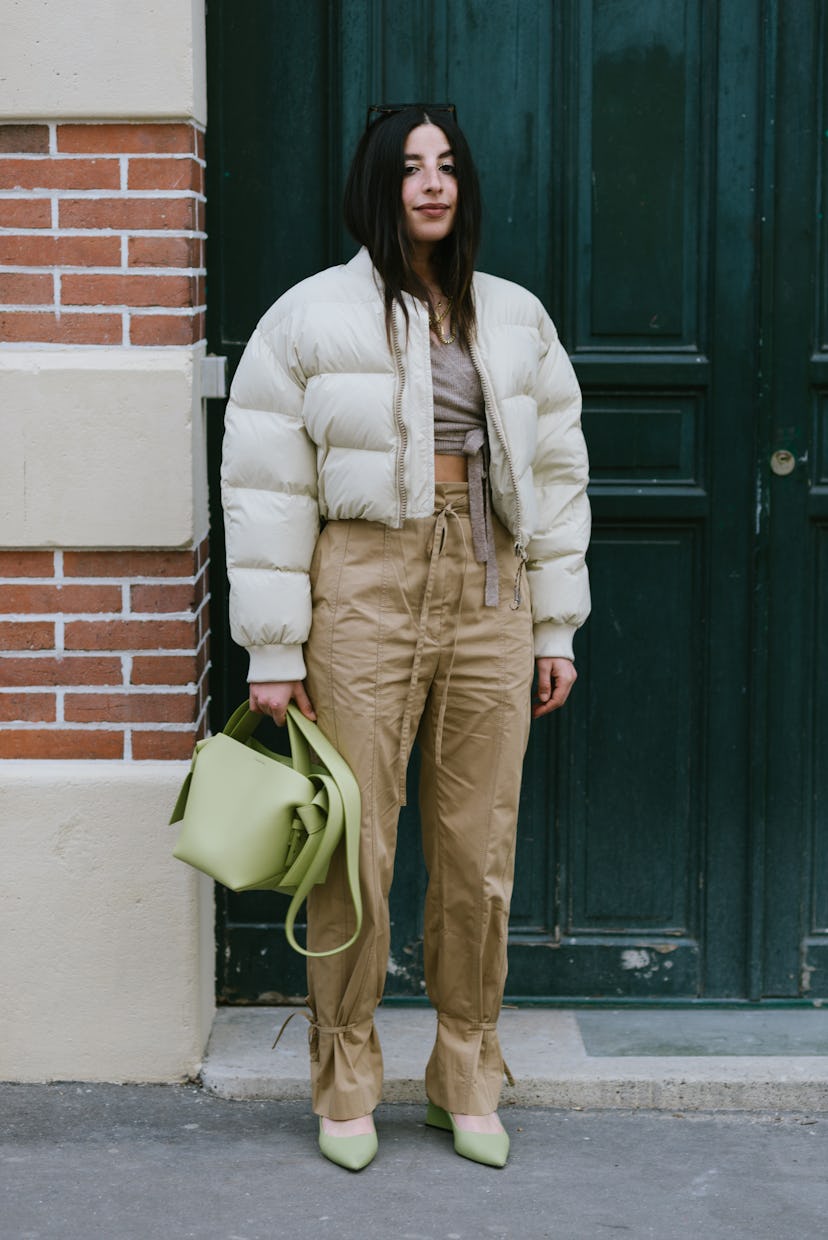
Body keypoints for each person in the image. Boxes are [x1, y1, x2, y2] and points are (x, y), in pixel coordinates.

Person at [220, 104, 591, 1171]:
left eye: (446, 167)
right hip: (365, 586)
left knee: (480, 851)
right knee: (358, 848)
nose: (431, 183)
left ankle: (467, 1072)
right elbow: (266, 490)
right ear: (376, 187)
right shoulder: (309, 317)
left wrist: (553, 621)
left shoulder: (515, 316)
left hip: (489, 585)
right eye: (409, 168)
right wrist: (276, 648)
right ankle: (345, 1075)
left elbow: (559, 476)